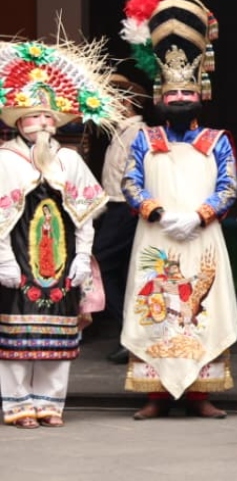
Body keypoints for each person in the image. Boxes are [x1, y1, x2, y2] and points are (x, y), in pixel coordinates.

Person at [118, 0, 237, 419]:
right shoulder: (145, 140)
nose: (180, 100)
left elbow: (228, 187)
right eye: (172, 96)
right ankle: (155, 394)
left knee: (200, 309)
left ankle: (199, 393)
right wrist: (160, 212)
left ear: (200, 95)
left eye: (186, 95)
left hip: (201, 236)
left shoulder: (217, 141)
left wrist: (198, 215)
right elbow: (130, 183)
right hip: (157, 236)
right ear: (159, 97)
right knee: (157, 308)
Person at [0, 37, 127, 428]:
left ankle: (50, 403)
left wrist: (81, 260)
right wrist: (3, 259)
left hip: (60, 262)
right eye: (33, 117)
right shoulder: (5, 160)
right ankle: (18, 404)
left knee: (58, 335)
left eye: (48, 117)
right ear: (18, 122)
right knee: (16, 338)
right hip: (19, 259)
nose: (42, 123)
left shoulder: (69, 160)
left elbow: (85, 214)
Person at [94, 75, 149, 364]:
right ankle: (130, 334)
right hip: (114, 209)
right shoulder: (120, 132)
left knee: (99, 265)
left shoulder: (138, 134)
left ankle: (131, 331)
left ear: (125, 102)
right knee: (115, 270)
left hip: (125, 209)